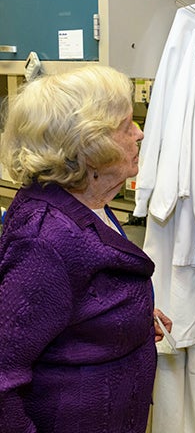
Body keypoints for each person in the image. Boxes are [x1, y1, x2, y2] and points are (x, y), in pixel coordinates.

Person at [0, 65, 172, 432]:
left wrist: (128, 316)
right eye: (126, 125)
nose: (139, 133)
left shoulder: (86, 201)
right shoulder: (45, 238)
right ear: (91, 146)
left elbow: (78, 297)